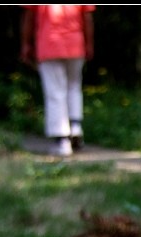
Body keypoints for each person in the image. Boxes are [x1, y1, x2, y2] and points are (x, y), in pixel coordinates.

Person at [20, 5, 95, 157]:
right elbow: (87, 17)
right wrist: (89, 43)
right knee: (74, 86)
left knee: (55, 92)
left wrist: (26, 44)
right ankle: (75, 127)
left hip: (49, 44)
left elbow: (29, 17)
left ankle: (62, 140)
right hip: (75, 43)